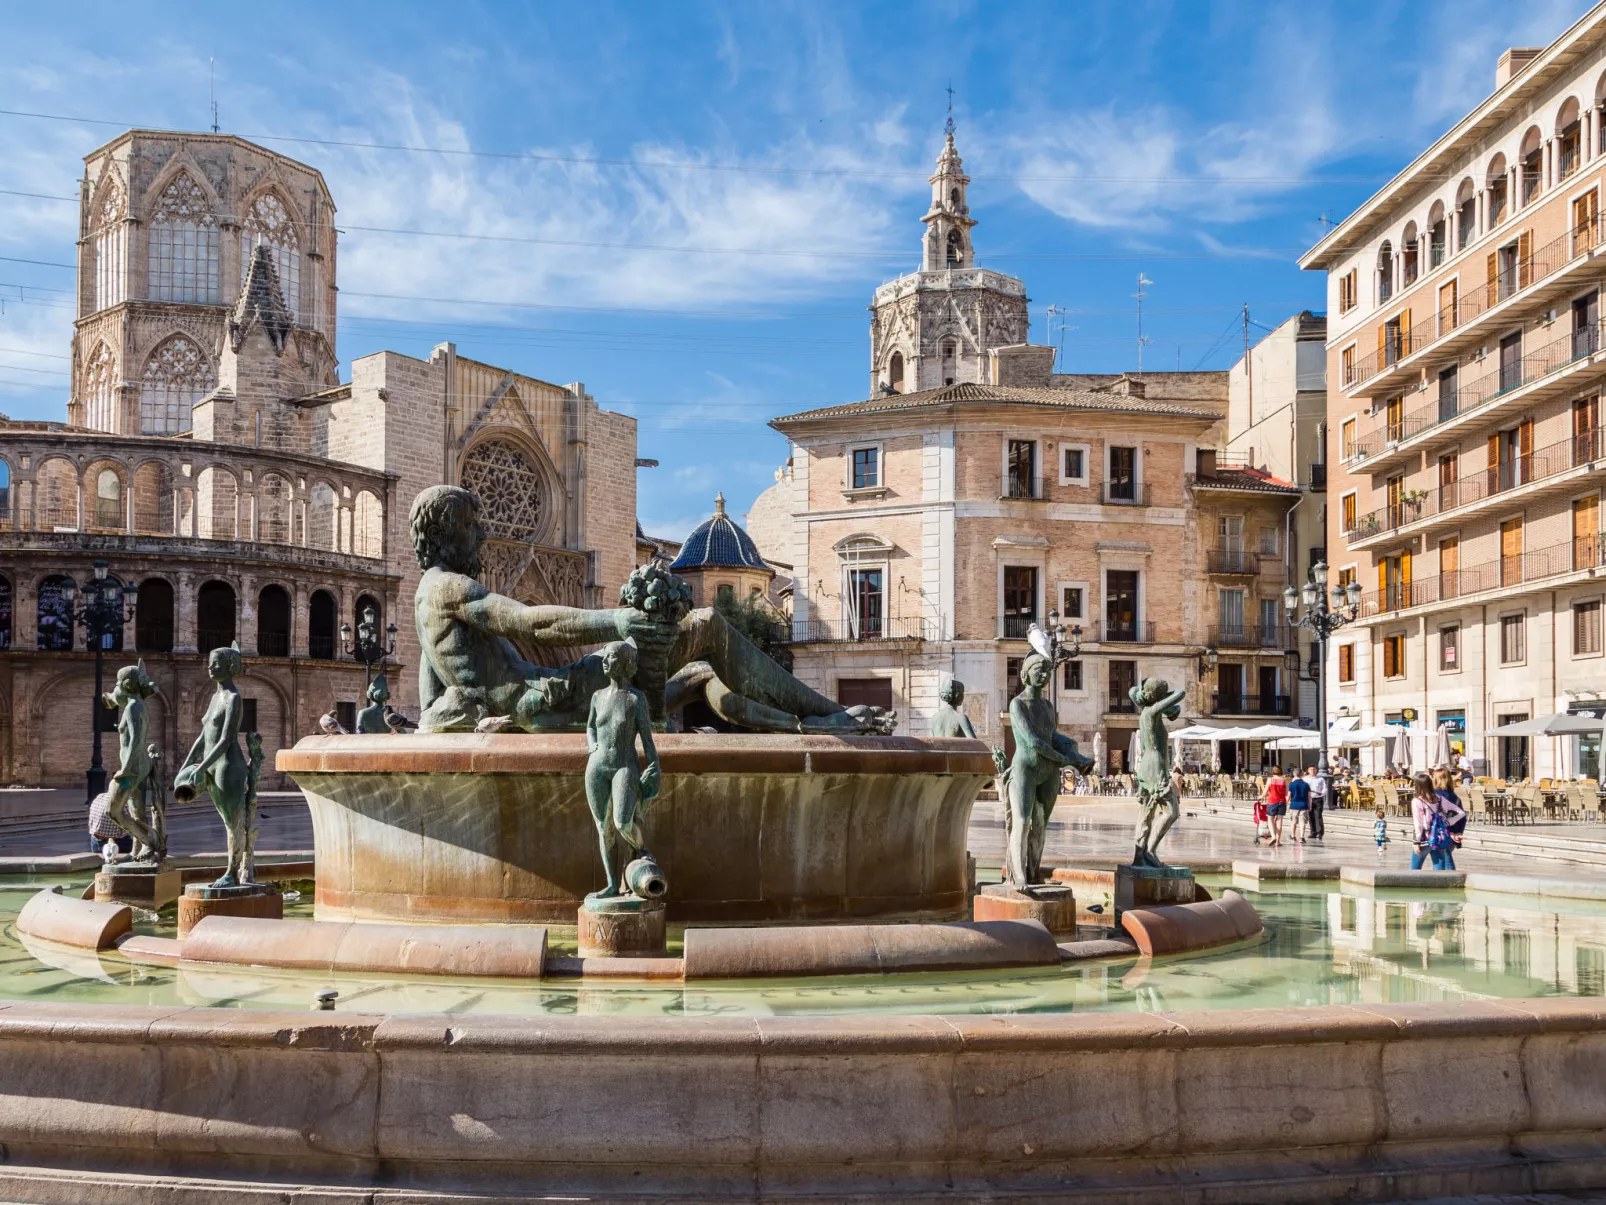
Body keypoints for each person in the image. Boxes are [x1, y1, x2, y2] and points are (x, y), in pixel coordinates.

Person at [1410, 771, 1465, 871]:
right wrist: (1448, 822)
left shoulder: (1417, 801)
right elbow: (1461, 813)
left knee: (1414, 870)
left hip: (1424, 839)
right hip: (1439, 838)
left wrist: (1416, 842)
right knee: (1439, 871)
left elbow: (1418, 823)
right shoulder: (1440, 798)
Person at [1433, 767, 1468, 867]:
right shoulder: (1454, 796)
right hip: (1454, 832)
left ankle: (1453, 881)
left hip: (1442, 831)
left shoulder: (1436, 795)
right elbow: (1462, 817)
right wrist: (1459, 832)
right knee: (1445, 858)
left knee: (1445, 860)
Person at [1259, 767, 1288, 847]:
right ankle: (1278, 841)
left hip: (1272, 801)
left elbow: (1265, 792)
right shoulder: (1284, 780)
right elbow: (1286, 794)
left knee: (1270, 819)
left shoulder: (1270, 780)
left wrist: (1261, 797)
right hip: (1282, 802)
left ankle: (1273, 836)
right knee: (1279, 822)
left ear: (1273, 772)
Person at [1287, 768, 1311, 843]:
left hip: (1294, 805)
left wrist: (1285, 803)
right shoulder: (1306, 785)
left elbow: (1289, 796)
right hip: (1304, 805)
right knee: (1302, 821)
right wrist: (1310, 806)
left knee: (1293, 821)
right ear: (1302, 775)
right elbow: (1309, 797)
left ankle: (1293, 836)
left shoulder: (1291, 784)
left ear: (1294, 774)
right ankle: (1301, 837)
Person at [1305, 766, 1327, 841]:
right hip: (1309, 799)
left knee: (1318, 815)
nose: (1313, 771)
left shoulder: (1320, 779)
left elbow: (1325, 788)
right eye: (1311, 769)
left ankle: (1319, 832)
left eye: (1314, 769)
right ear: (1308, 770)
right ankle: (1313, 832)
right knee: (1310, 816)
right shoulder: (1305, 779)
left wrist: (1321, 793)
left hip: (1318, 798)